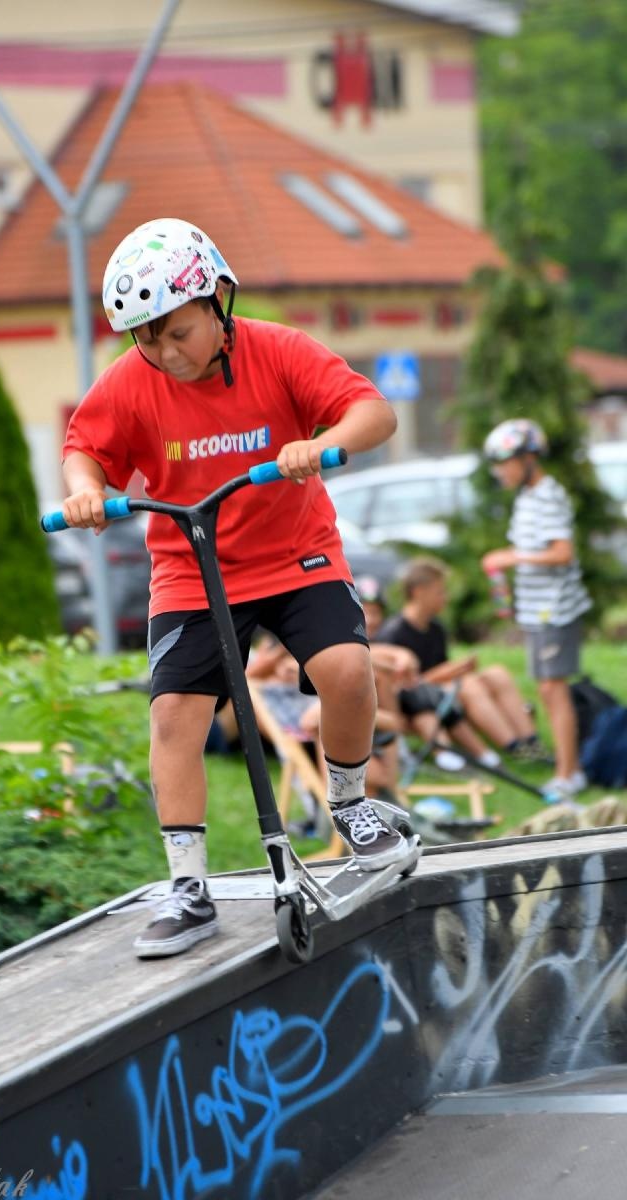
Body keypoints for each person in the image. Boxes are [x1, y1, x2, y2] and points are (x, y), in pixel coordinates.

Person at [60, 217, 407, 959]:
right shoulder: (132, 383)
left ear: (217, 298)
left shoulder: (279, 351)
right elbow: (85, 450)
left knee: (346, 671)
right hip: (192, 564)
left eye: (176, 331)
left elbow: (375, 411)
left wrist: (320, 443)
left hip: (294, 550)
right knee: (175, 718)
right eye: (144, 338)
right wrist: (87, 492)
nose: (163, 352)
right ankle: (188, 888)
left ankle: (350, 807)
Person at [481, 418, 592, 798]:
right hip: (538, 610)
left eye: (505, 462)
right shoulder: (528, 497)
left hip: (555, 610)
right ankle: (569, 768)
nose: (500, 471)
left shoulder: (547, 494)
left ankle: (567, 775)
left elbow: (562, 553)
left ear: (528, 457)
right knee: (547, 690)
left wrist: (512, 557)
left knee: (553, 689)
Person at [376, 557, 544, 762]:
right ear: (418, 592)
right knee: (469, 685)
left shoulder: (436, 628)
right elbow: (404, 687)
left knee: (496, 674)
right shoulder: (394, 634)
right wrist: (452, 671)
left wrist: (457, 669)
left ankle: (531, 741)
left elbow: (441, 667)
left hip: (442, 689)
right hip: (417, 702)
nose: (445, 597)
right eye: (440, 591)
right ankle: (514, 747)